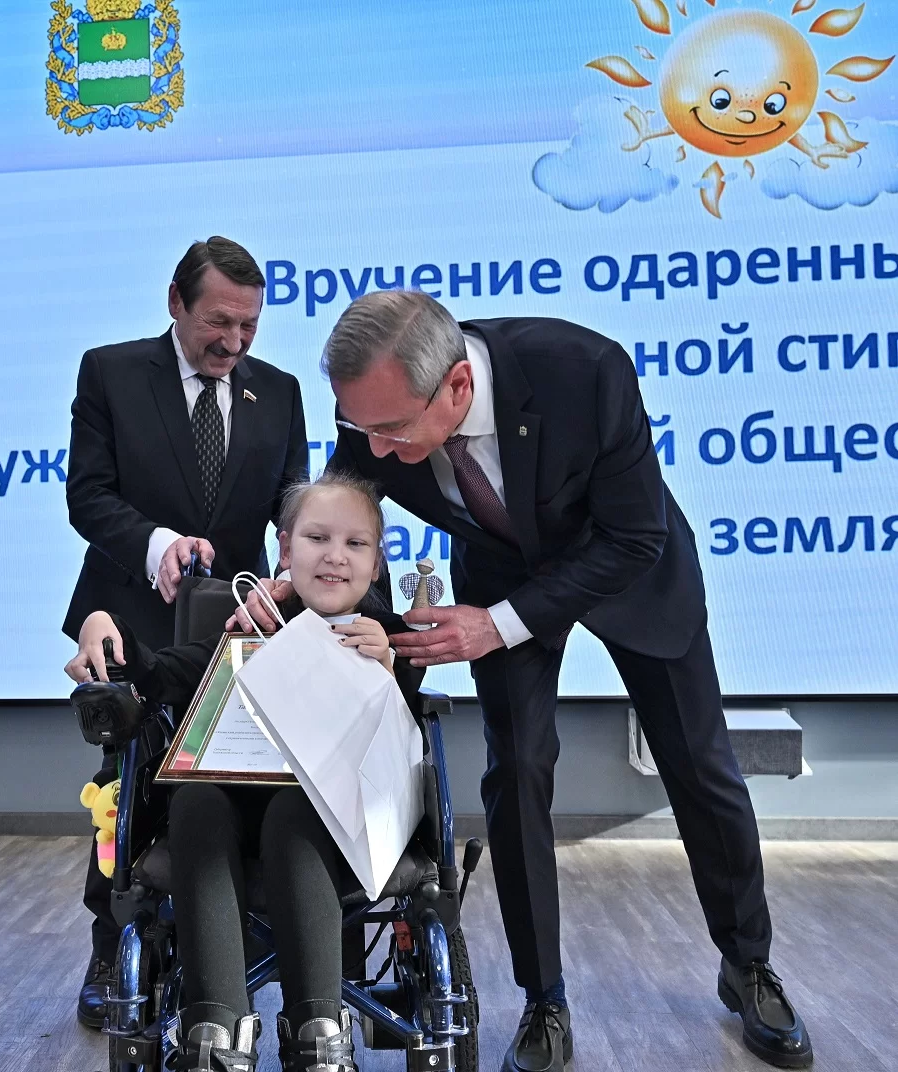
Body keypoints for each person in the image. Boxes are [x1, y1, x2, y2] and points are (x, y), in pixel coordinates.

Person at [237, 291, 812, 1072]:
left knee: (699, 766)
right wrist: (293, 580)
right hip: (499, 570)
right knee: (516, 771)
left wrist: (497, 624)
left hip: (628, 574)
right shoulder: (373, 407)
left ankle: (748, 966)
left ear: (456, 388)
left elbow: (634, 537)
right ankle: (543, 999)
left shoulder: (586, 372)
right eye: (359, 426)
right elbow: (342, 503)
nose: (372, 446)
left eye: (391, 431)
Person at [65, 473, 423, 1072]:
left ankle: (318, 1030)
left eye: (355, 544)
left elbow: (407, 749)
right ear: (285, 550)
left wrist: (388, 668)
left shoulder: (388, 640)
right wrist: (105, 624)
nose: (335, 556)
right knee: (193, 800)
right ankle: (214, 1027)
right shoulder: (250, 628)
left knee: (295, 810)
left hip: (336, 824)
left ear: (377, 561)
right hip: (226, 813)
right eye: (317, 538)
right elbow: (160, 673)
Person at [63, 237, 309, 1027]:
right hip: (126, 616)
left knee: (227, 778)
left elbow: (294, 503)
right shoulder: (110, 373)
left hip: (236, 627)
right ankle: (111, 946)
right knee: (124, 783)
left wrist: (299, 567)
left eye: (248, 326)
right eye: (218, 323)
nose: (233, 343)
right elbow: (87, 497)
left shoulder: (280, 391)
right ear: (176, 302)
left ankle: (227, 938)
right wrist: (156, 545)